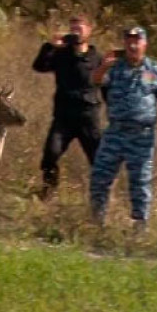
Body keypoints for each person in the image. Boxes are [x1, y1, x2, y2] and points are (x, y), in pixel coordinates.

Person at [89, 26, 157, 233]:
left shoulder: (155, 70)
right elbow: (95, 81)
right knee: (100, 175)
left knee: (140, 181)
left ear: (145, 44)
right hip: (115, 132)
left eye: (137, 41)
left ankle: (139, 227)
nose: (133, 45)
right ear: (124, 43)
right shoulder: (115, 68)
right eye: (129, 40)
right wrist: (103, 67)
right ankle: (96, 221)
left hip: (142, 135)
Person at [32, 14, 103, 200]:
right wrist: (50, 47)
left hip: (88, 117)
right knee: (50, 155)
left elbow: (107, 87)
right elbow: (39, 66)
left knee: (99, 161)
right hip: (63, 117)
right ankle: (49, 190)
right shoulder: (61, 55)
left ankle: (100, 196)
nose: (75, 33)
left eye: (79, 28)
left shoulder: (97, 58)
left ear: (89, 30)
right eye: (72, 29)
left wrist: (114, 113)